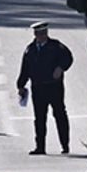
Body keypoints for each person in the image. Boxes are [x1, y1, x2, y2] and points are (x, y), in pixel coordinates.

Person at [16, 20, 74, 155]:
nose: (42, 36)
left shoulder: (56, 46)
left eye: (44, 33)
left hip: (54, 87)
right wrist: (20, 85)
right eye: (39, 33)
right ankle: (40, 147)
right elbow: (25, 69)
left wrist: (61, 68)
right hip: (38, 88)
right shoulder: (30, 50)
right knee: (39, 118)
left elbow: (68, 58)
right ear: (35, 34)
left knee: (60, 114)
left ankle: (65, 145)